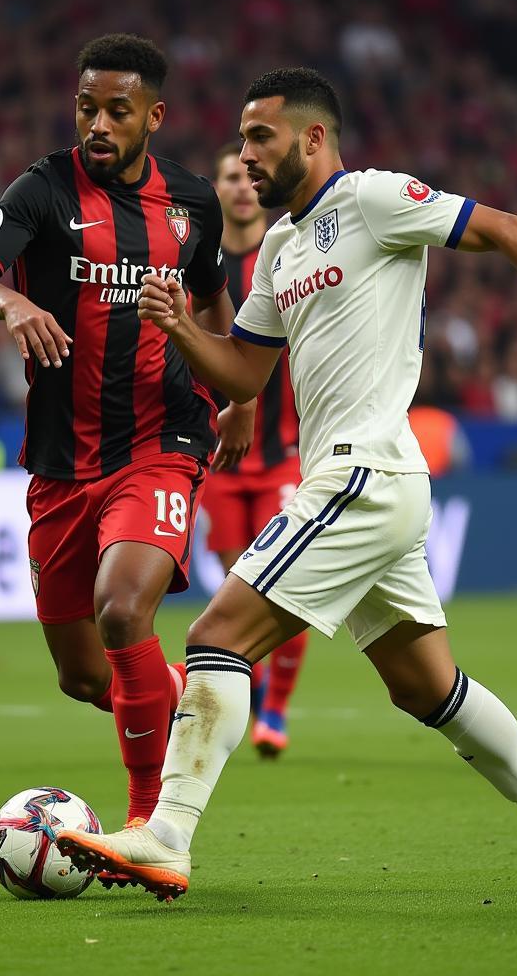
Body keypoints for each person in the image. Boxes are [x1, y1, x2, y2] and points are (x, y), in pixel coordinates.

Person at [56, 68, 517, 900]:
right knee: (423, 685)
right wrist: (183, 326)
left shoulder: (371, 199)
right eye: (243, 140)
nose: (248, 157)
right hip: (368, 483)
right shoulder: (277, 251)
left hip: (364, 474)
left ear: (314, 137)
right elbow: (246, 374)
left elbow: (505, 227)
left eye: (262, 138)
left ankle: (166, 834)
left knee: (216, 637)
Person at [0, 35, 246, 874]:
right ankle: (189, 707)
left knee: (123, 611)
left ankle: (152, 828)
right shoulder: (43, 188)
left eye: (117, 109)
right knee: (85, 677)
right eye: (87, 107)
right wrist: (8, 302)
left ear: (154, 115)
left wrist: (242, 397)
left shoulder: (192, 204)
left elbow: (226, 310)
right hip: (60, 462)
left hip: (161, 438)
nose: (99, 123)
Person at [203, 142, 308, 758]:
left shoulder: (291, 252)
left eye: (248, 176)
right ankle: (260, 680)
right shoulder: (201, 265)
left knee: (283, 581)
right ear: (215, 190)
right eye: (228, 178)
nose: (242, 187)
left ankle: (274, 709)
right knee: (235, 583)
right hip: (217, 457)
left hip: (282, 452)